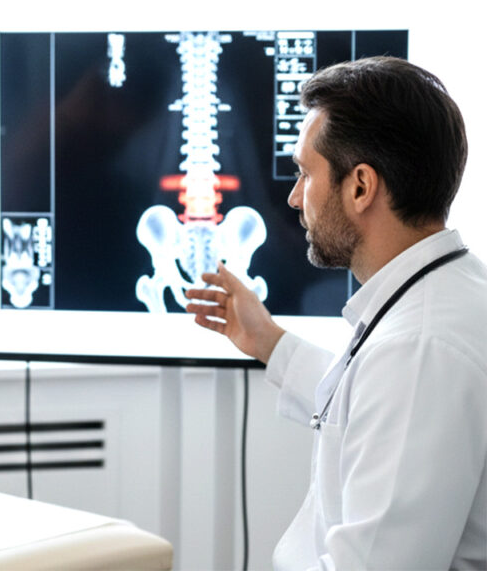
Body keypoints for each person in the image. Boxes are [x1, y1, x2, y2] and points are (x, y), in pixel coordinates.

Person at [185, 56, 486, 570]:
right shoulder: (444, 293)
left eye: (306, 174)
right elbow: (363, 406)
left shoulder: (417, 349)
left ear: (361, 186)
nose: (294, 196)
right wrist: (269, 342)